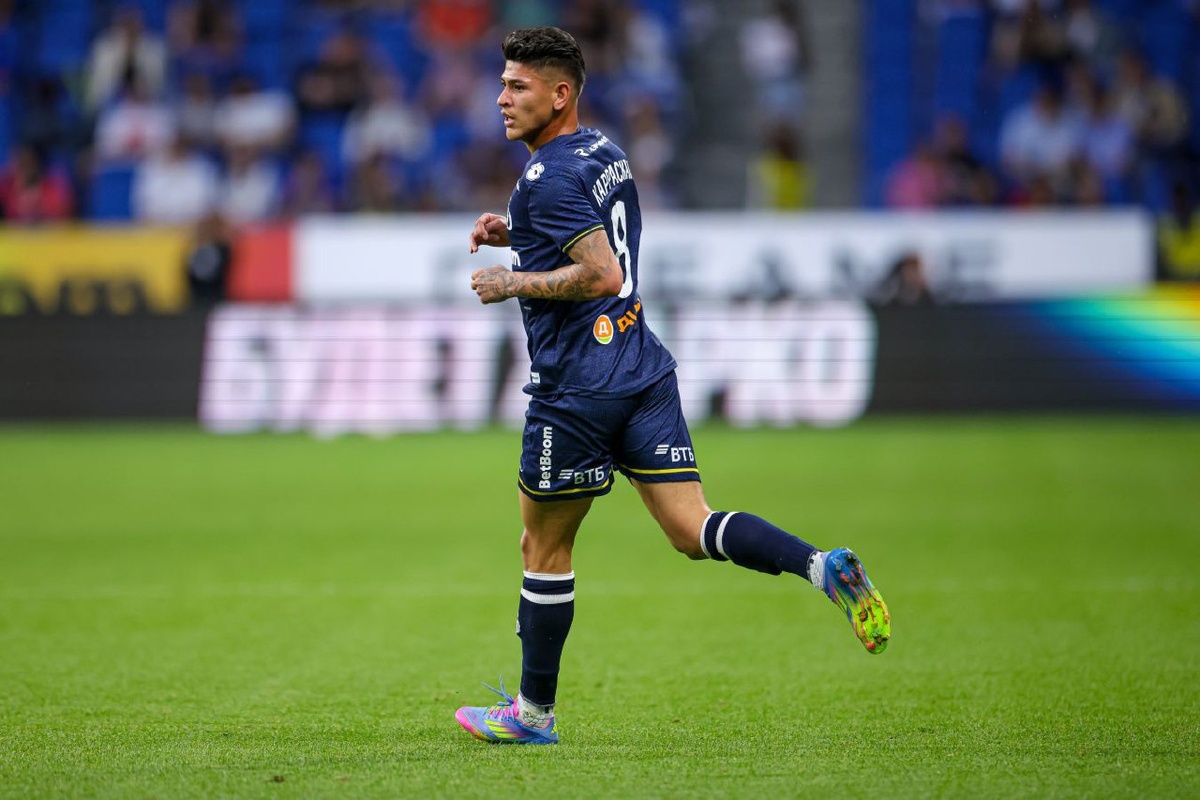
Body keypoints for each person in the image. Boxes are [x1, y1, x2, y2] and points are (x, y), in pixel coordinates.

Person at [454, 27, 891, 747]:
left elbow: (601, 273)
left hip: (578, 388)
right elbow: (596, 234)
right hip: (641, 367)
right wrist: (521, 233)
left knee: (543, 548)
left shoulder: (545, 178)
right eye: (502, 84)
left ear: (559, 94)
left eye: (517, 86)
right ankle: (820, 567)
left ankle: (532, 716)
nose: (501, 98)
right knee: (692, 528)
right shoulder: (604, 150)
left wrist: (514, 280)